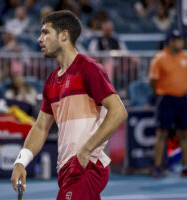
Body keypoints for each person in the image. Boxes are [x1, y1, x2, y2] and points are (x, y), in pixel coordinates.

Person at [10, 10, 127, 199]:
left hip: (86, 166)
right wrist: (21, 162)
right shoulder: (50, 81)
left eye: (45, 33)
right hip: (66, 169)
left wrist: (86, 150)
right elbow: (40, 127)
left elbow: (118, 112)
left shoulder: (89, 68)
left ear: (64, 35)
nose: (40, 39)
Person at [148, 30, 187, 178]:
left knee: (184, 134)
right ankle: (158, 167)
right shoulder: (159, 59)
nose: (181, 42)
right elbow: (152, 81)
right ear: (171, 42)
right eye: (178, 40)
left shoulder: (185, 57)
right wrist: (159, 92)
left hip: (182, 99)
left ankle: (185, 166)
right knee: (161, 134)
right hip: (165, 100)